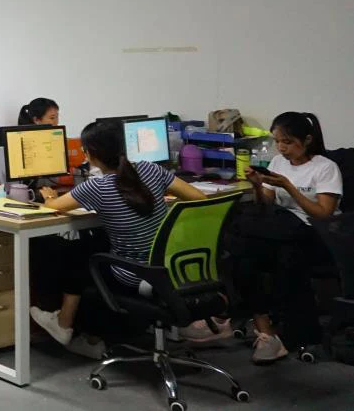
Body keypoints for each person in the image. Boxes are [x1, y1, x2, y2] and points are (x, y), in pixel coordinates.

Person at [32, 120, 207, 357]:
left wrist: (48, 196)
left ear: (90, 154)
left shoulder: (97, 187)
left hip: (134, 274)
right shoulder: (150, 170)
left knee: (78, 254)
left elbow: (53, 207)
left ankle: (70, 327)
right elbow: (199, 198)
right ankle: (82, 332)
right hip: (170, 267)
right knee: (91, 244)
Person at [232, 112, 341, 364]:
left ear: (307, 140)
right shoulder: (278, 163)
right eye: (277, 141)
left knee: (270, 251)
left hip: (317, 233)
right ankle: (266, 332)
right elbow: (266, 204)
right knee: (245, 259)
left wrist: (288, 186)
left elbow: (323, 214)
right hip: (282, 232)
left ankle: (298, 334)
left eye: (288, 142)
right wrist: (257, 185)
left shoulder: (325, 168)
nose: (281, 148)